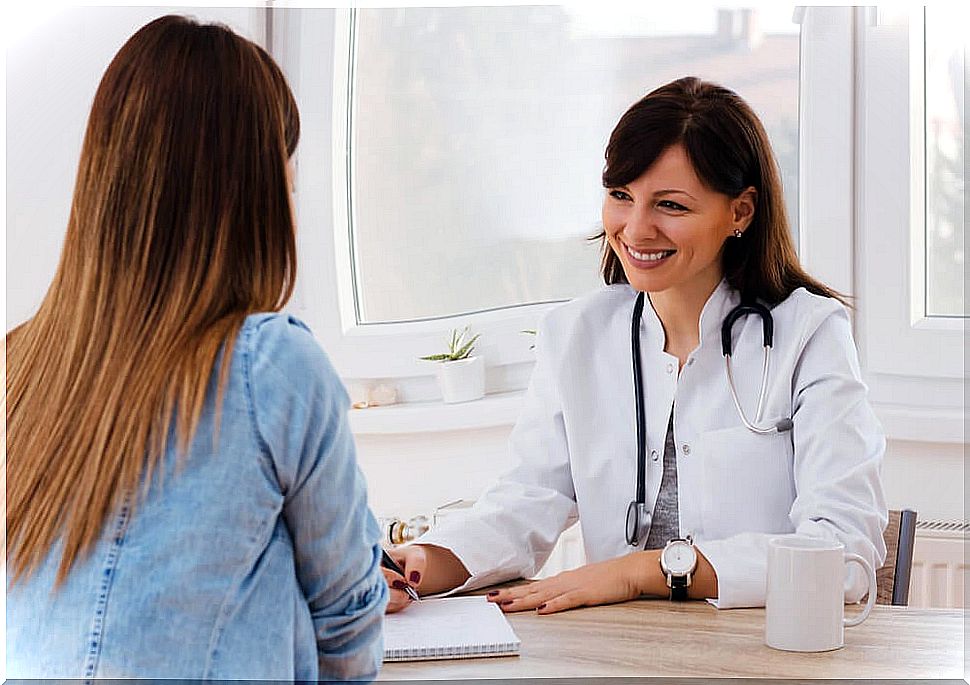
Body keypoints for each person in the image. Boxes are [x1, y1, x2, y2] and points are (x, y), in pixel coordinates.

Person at [383, 76, 888, 613]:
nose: (635, 228)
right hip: (621, 651)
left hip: (758, 649)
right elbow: (528, 500)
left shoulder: (809, 334)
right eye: (621, 196)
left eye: (670, 205)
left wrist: (640, 572)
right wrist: (423, 561)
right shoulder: (575, 334)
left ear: (740, 212)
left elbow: (842, 554)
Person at [5, 16, 387, 679]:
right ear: (256, 197)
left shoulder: (21, 365)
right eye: (288, 184)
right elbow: (348, 616)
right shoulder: (272, 365)